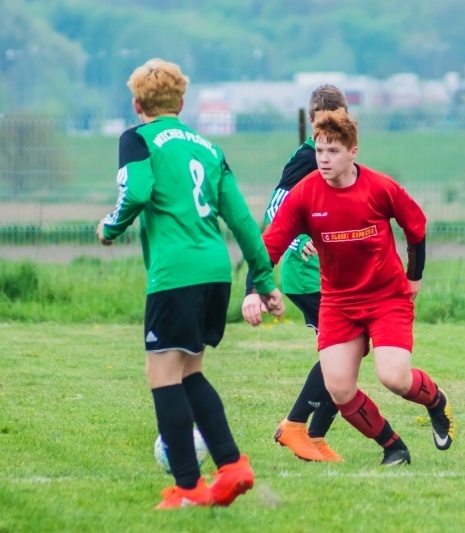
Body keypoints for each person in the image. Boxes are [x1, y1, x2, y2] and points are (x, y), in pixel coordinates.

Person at [96, 58, 284, 509]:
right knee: (190, 371)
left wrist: (109, 226)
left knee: (162, 374)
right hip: (215, 271)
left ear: (137, 103)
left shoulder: (137, 139)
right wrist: (263, 278)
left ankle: (187, 487)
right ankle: (232, 466)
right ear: (182, 101)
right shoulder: (208, 147)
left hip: (175, 274)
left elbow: (136, 192)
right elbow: (240, 217)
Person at [246, 109, 455, 466]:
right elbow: (270, 244)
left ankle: (436, 403)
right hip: (339, 302)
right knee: (340, 388)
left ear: (353, 151)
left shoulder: (379, 187)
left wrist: (414, 275)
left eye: (333, 151)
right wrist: (255, 289)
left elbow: (416, 227)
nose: (324, 159)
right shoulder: (305, 194)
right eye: (320, 151)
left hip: (387, 297)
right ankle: (393, 447)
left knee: (394, 377)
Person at [245, 85, 348, 462]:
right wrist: (291, 244)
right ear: (313, 121)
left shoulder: (339, 157)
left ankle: (313, 436)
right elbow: (275, 207)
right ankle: (298, 428)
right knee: (342, 352)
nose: (332, 129)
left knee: (349, 351)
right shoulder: (307, 157)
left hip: (330, 275)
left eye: (339, 121)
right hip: (307, 276)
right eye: (325, 123)